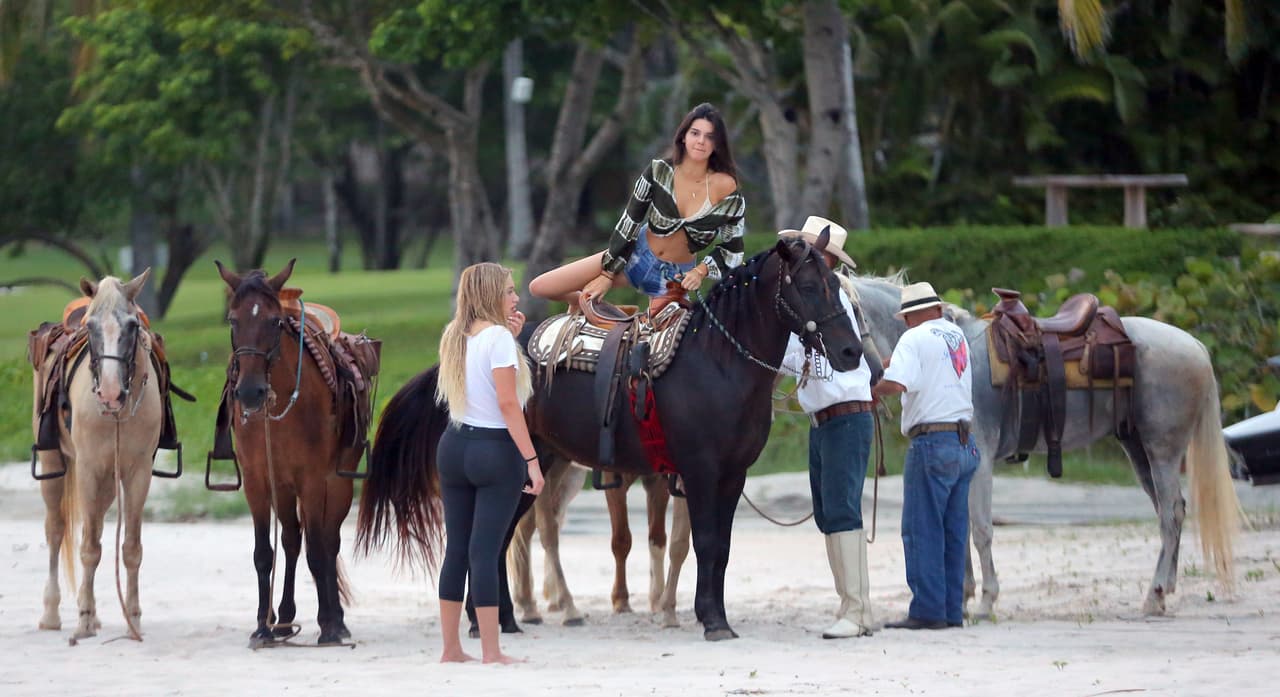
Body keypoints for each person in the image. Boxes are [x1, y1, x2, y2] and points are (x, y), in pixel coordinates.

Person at [528, 102, 746, 307]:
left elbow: (733, 248)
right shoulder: (659, 171)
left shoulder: (727, 189)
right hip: (634, 255)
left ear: (717, 144)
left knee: (667, 343)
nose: (701, 141)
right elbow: (630, 221)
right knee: (541, 287)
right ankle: (594, 309)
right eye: (695, 133)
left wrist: (700, 271)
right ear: (683, 137)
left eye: (709, 137)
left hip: (673, 278)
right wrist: (607, 274)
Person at [434, 262, 546, 663]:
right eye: (510, 291)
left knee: (457, 551)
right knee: (485, 553)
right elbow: (507, 403)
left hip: (454, 446)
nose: (516, 298)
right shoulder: (497, 338)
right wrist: (532, 460)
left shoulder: (456, 334)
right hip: (494, 452)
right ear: (491, 296)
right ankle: (492, 651)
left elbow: (478, 382)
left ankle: (451, 649)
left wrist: (511, 341)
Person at [778, 216, 880, 639]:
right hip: (824, 419)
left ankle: (857, 611)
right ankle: (853, 607)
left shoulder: (833, 298)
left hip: (845, 414)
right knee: (828, 513)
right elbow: (789, 358)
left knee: (840, 510)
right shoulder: (809, 305)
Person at [871, 282, 978, 630]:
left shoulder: (914, 338)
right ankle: (951, 609)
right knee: (953, 530)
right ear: (937, 309)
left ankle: (928, 611)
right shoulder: (956, 336)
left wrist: (867, 390)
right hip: (964, 441)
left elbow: (898, 383)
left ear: (912, 316)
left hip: (932, 442)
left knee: (921, 529)